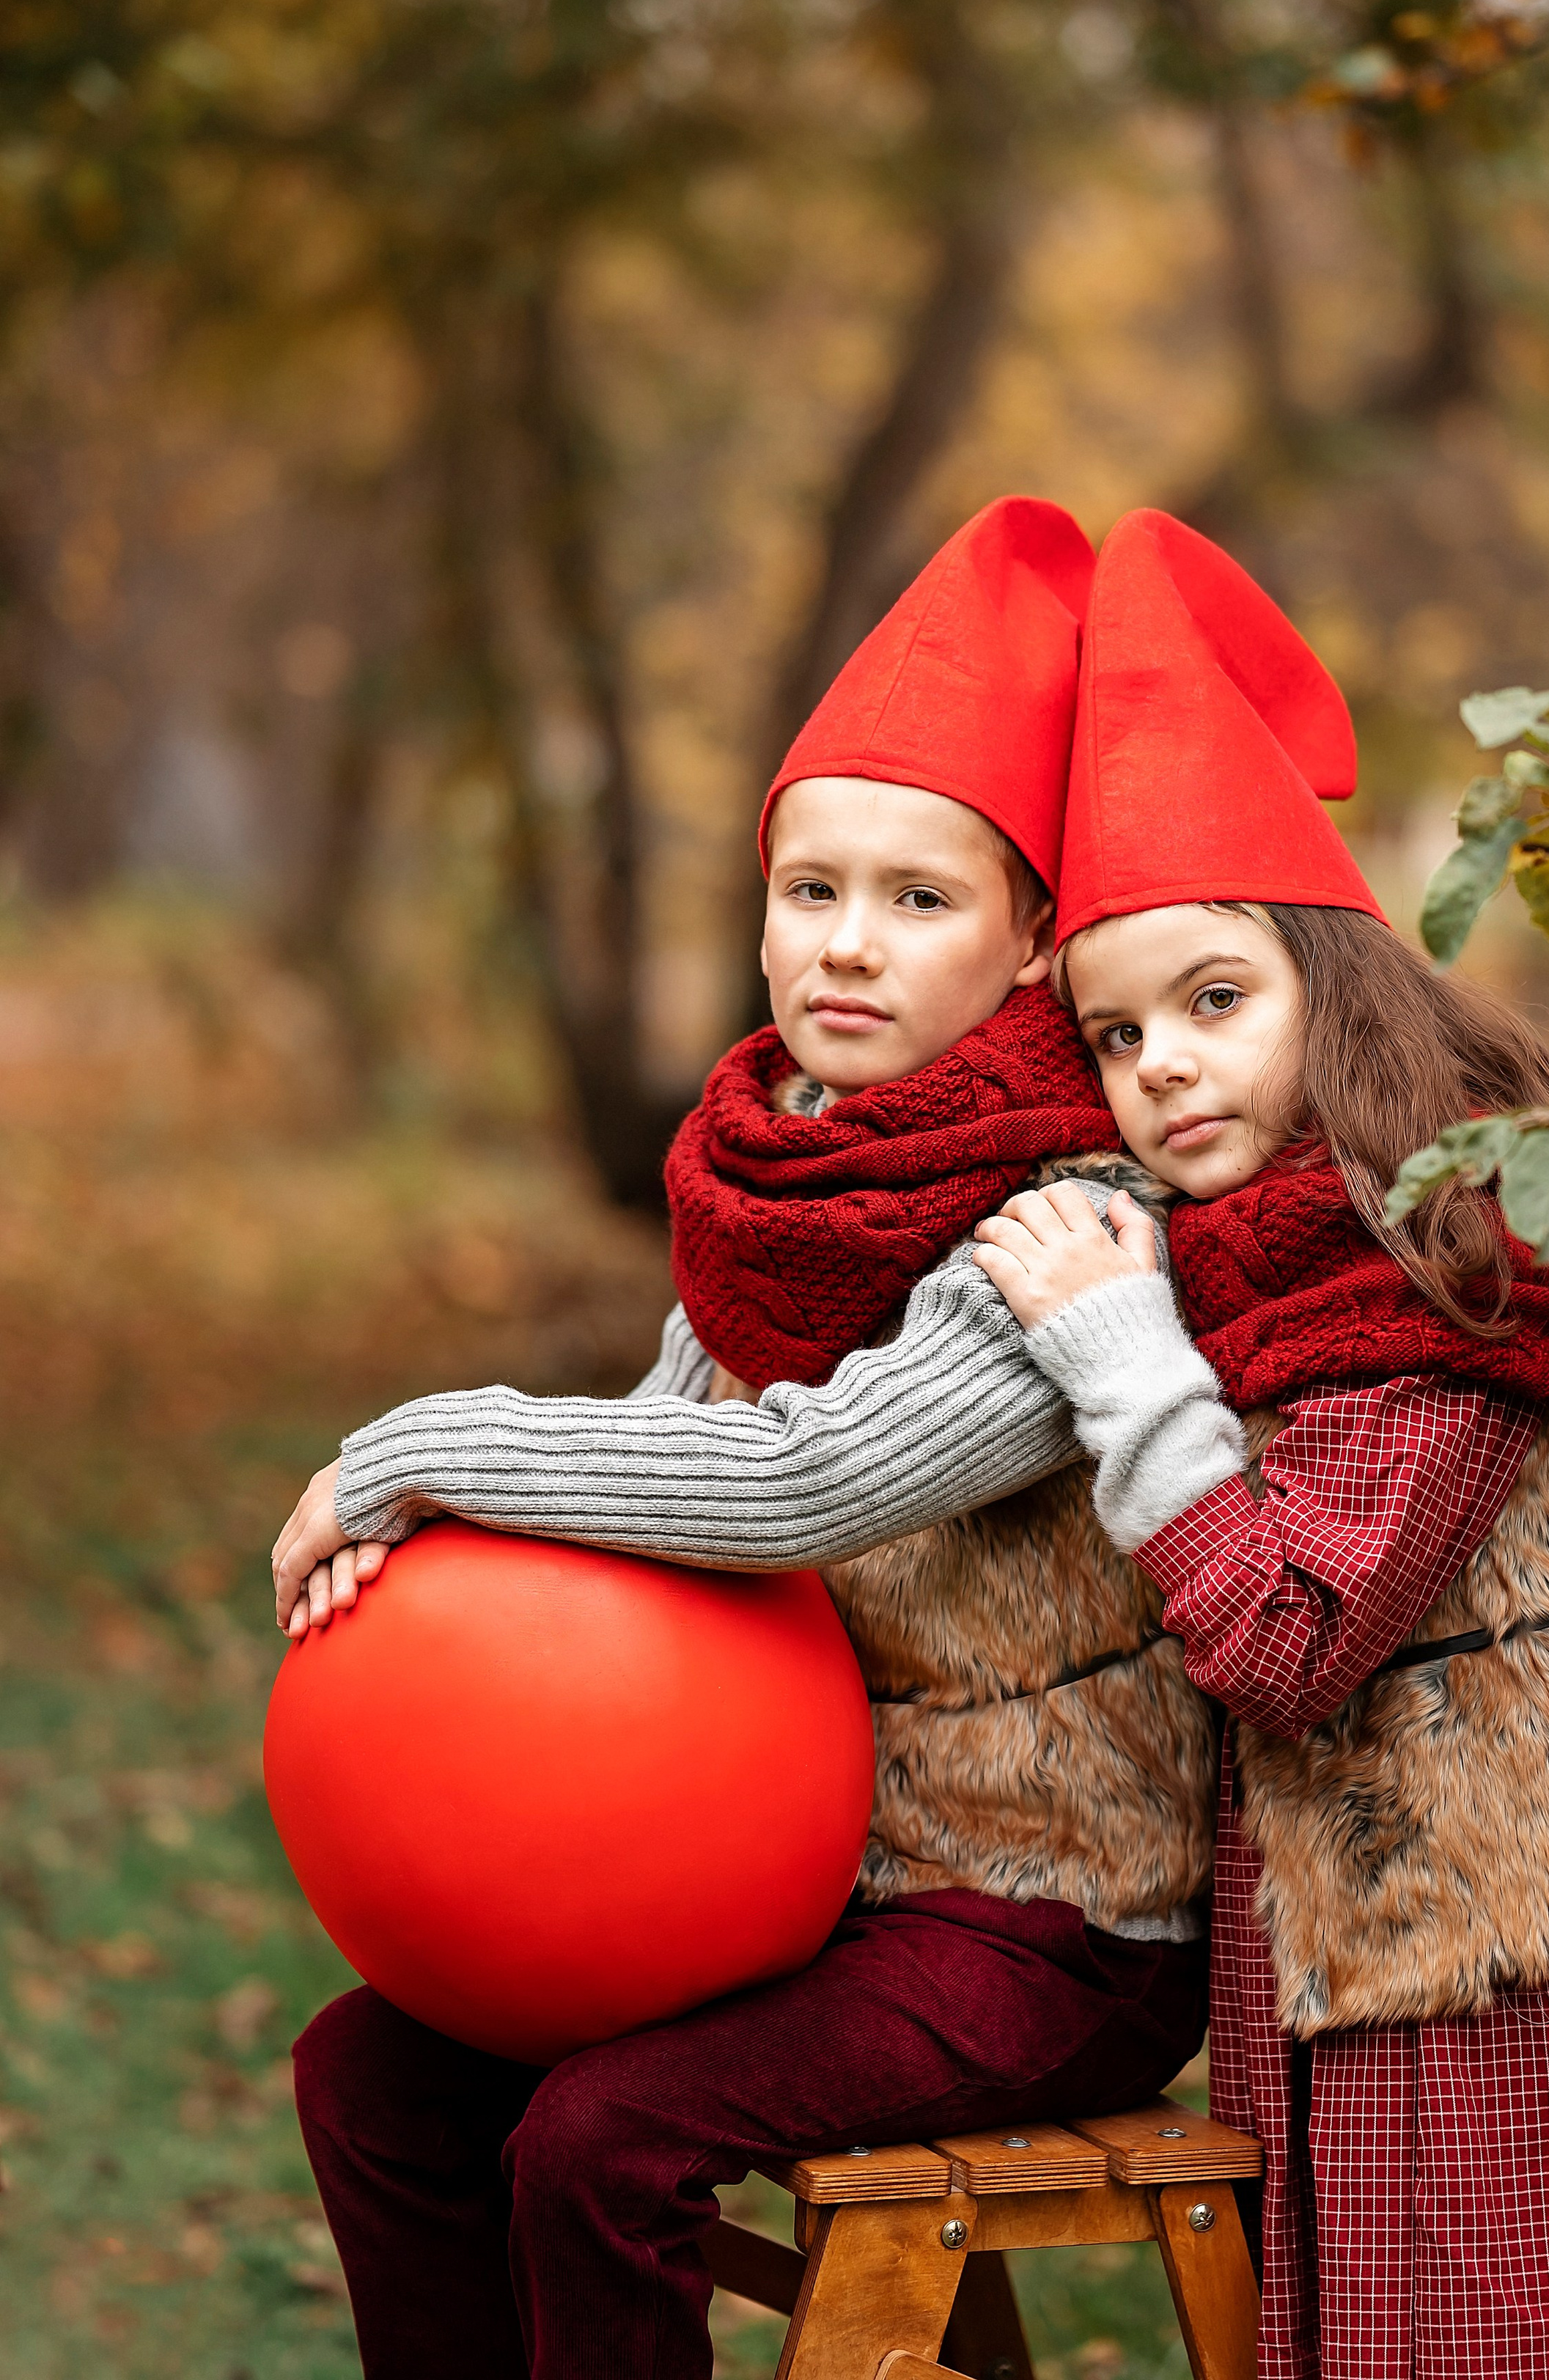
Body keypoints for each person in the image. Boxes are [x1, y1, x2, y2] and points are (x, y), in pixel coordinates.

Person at [269, 496, 1216, 2380]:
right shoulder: (772, 1184)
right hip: (788, 1880)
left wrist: (417, 1446)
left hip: (1041, 1918)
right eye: (810, 891)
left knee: (603, 2140)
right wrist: (444, 1568)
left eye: (920, 899)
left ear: (1034, 947)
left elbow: (801, 1480)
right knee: (370, 2072)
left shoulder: (1065, 1217)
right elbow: (644, 1484)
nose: (846, 946)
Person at [970, 508, 1549, 2380]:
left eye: (1212, 1000)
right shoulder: (1261, 1263)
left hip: (1510, 1974)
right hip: (1345, 1964)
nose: (1156, 1060)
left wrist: (1116, 1352)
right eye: (1111, 1031)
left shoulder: (1442, 1275)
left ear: (1340, 992)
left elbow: (1284, 1633)